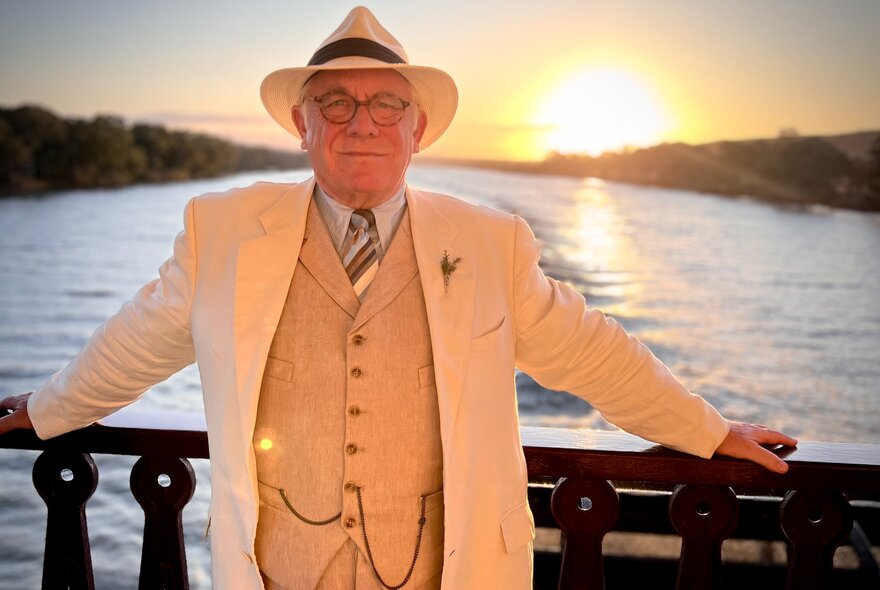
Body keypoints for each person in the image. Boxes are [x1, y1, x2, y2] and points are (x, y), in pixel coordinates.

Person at [0, 6, 797, 590]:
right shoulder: (222, 231)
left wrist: (706, 428)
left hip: (444, 570)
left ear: (418, 130)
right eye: (336, 104)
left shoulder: (490, 242)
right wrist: (49, 409)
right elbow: (137, 341)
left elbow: (590, 352)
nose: (363, 124)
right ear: (302, 124)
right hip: (277, 570)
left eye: (387, 105)